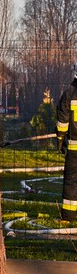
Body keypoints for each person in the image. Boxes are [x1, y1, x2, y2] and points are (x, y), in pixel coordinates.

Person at [56, 63, 77, 221]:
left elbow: (62, 121)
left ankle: (68, 216)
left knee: (71, 182)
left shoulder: (69, 93)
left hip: (74, 148)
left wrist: (60, 139)